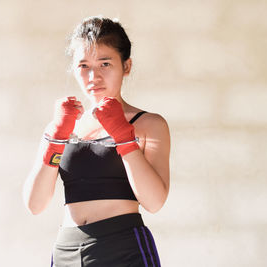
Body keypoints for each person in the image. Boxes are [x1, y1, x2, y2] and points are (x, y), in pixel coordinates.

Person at [23, 16, 170, 267]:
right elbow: (35, 205)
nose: (94, 76)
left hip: (123, 247)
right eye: (83, 65)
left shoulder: (149, 124)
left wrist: (124, 137)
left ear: (126, 66)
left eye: (105, 63)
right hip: (66, 249)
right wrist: (56, 138)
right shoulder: (62, 126)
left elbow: (154, 202)